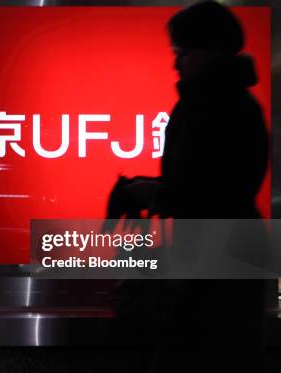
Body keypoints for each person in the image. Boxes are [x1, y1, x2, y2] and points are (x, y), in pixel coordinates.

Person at [105, 2, 270, 372]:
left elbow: (212, 190)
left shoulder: (213, 104)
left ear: (210, 51)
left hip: (214, 261)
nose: (175, 63)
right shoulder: (229, 102)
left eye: (181, 53)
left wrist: (157, 193)